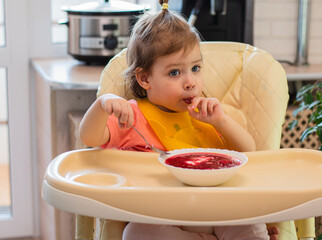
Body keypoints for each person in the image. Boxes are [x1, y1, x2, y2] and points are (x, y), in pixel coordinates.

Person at [79, 0, 279, 239]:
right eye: (175, 72)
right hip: (159, 216)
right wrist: (103, 104)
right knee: (135, 233)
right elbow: (89, 137)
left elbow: (249, 153)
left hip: (216, 211)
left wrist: (221, 122)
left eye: (195, 68)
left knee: (247, 220)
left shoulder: (206, 114)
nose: (190, 82)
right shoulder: (131, 116)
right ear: (144, 79)